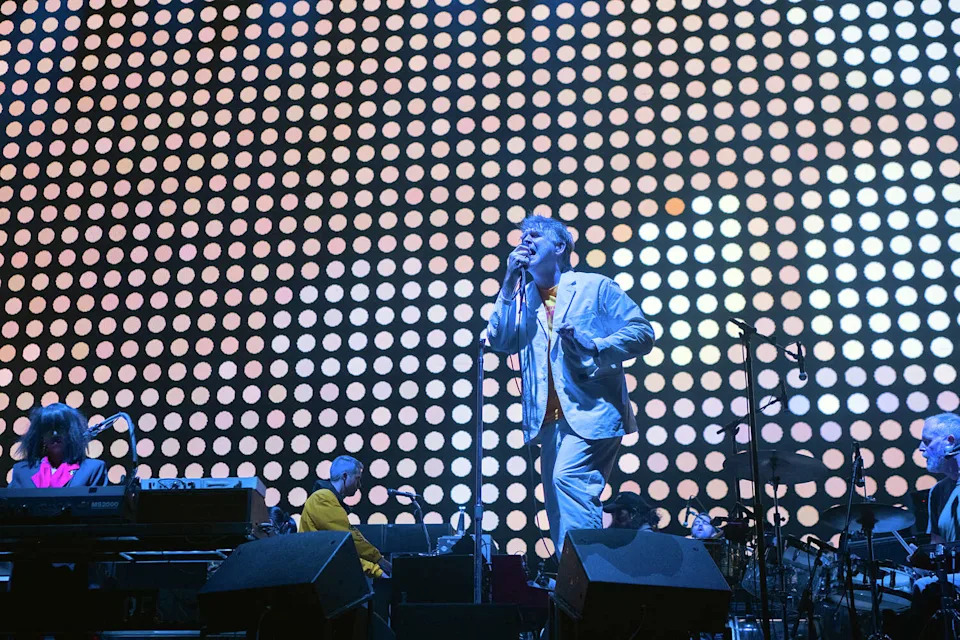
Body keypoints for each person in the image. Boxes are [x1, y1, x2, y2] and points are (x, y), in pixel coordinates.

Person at [486, 214, 655, 555]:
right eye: (522, 236)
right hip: (549, 420)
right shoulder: (523, 298)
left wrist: (595, 345)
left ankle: (588, 575)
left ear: (560, 246)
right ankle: (572, 578)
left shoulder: (595, 287)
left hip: (592, 411)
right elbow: (500, 339)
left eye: (535, 235)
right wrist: (508, 281)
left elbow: (643, 333)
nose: (525, 241)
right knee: (559, 508)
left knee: (569, 481)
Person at [299, 455, 391, 578]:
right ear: (345, 476)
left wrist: (377, 570)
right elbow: (348, 537)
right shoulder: (322, 498)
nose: (359, 485)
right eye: (357, 479)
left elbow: (340, 550)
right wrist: (379, 560)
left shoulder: (327, 499)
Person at [8, 403, 107, 488]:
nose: (55, 434)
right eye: (48, 429)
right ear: (41, 435)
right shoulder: (21, 472)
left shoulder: (92, 469)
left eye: (60, 428)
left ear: (72, 432)